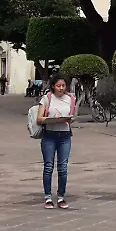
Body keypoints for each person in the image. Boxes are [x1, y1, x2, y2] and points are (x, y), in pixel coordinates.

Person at [36, 74, 76, 209]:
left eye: (63, 86)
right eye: (58, 86)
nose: (61, 88)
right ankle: (48, 196)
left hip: (65, 136)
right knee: (48, 166)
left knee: (63, 167)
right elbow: (39, 119)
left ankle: (61, 196)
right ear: (53, 86)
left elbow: (72, 116)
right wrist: (50, 119)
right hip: (49, 135)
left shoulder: (70, 98)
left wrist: (69, 119)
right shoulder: (47, 98)